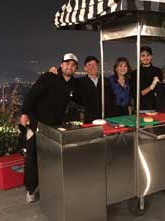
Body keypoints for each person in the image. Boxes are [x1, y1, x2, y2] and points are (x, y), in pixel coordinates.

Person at [20, 53, 79, 203]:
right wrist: (24, 114)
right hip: (36, 123)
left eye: (73, 65)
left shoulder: (73, 83)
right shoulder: (48, 76)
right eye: (67, 63)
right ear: (61, 65)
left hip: (55, 126)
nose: (69, 67)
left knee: (52, 156)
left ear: (75, 69)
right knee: (32, 156)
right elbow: (32, 94)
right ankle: (31, 190)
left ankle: (50, 185)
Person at [77, 56, 113, 123]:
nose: (92, 67)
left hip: (106, 117)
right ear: (85, 68)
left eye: (94, 64)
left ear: (97, 66)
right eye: (89, 65)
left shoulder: (106, 81)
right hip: (88, 118)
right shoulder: (79, 82)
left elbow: (111, 99)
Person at [130, 46, 163, 110]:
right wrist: (151, 86)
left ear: (151, 57)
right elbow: (137, 94)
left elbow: (160, 91)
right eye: (143, 56)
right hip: (140, 109)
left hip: (156, 108)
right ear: (139, 57)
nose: (145, 58)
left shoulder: (157, 71)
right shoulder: (135, 73)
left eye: (148, 55)